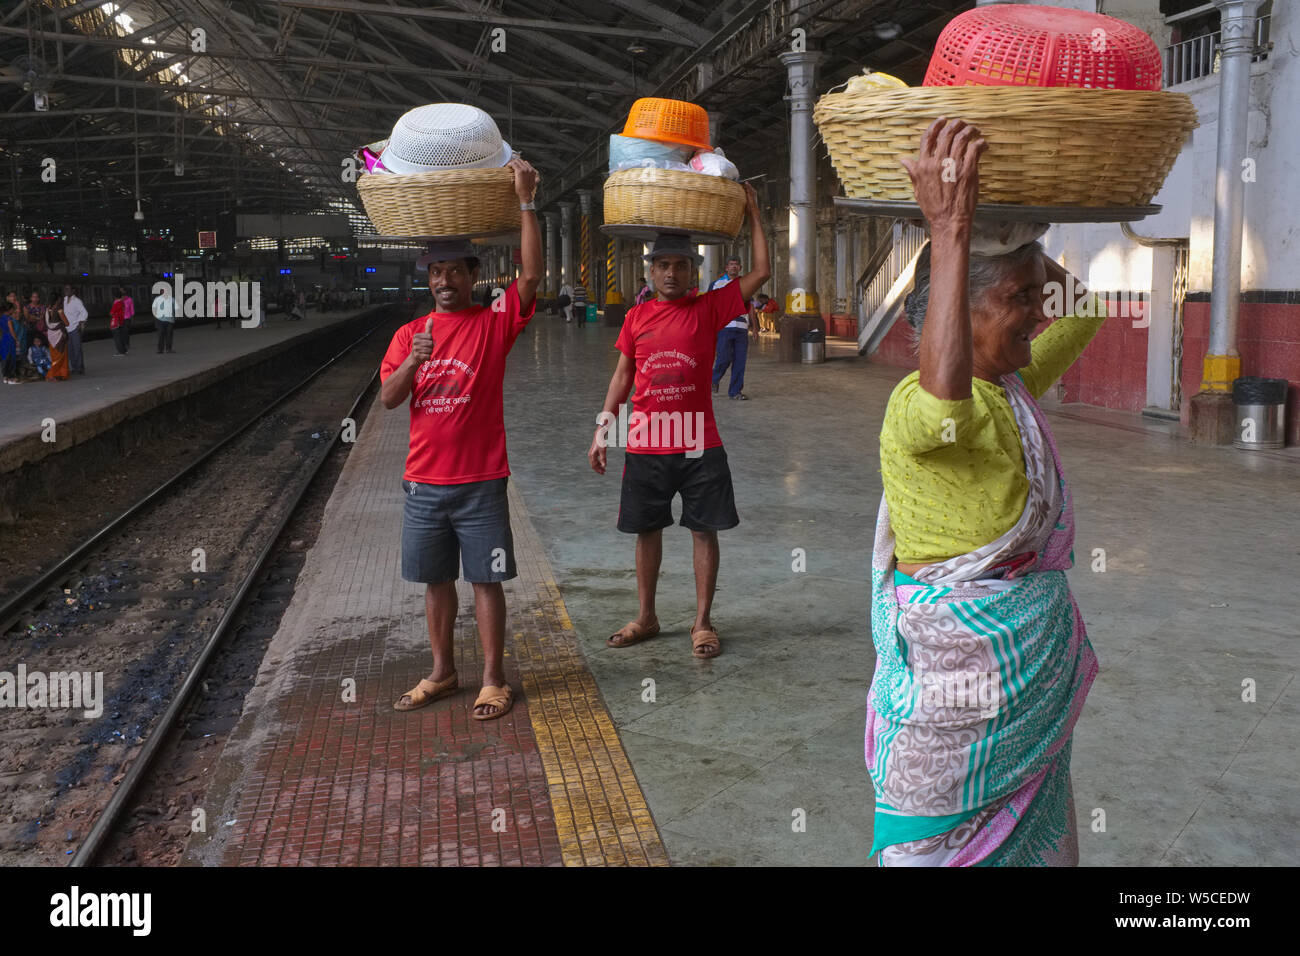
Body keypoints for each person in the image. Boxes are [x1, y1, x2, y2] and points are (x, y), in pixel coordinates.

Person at [867, 118, 1102, 867]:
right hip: (958, 702)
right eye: (1018, 299)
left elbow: (1087, 308)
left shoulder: (1012, 385)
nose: (1040, 312)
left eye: (1036, 296)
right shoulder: (917, 405)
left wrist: (1017, 231)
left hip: (1027, 695)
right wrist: (951, 230)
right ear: (957, 314)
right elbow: (945, 406)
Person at [379, 155, 542, 721]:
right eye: (435, 274)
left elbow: (531, 279)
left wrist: (525, 200)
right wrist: (413, 364)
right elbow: (389, 398)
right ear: (427, 280)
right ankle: (443, 672)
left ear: (473, 276)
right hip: (423, 486)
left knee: (487, 582)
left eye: (454, 272)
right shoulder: (408, 335)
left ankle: (494, 679)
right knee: (435, 582)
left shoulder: (494, 324)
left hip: (481, 485)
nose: (444, 282)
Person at [588, 184, 770, 660]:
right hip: (645, 440)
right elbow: (622, 377)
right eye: (663, 265)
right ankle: (646, 616)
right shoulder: (636, 317)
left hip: (698, 441)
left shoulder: (711, 307)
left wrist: (753, 211)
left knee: (702, 529)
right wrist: (603, 429)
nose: (672, 273)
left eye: (681, 265)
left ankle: (702, 622)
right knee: (647, 531)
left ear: (695, 273)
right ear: (651, 271)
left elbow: (763, 271)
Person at [709, 255, 756, 400]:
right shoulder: (716, 284)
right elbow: (710, 307)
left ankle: (735, 392)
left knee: (740, 361)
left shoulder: (745, 284)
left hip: (741, 327)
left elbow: (751, 307)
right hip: (725, 327)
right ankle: (713, 379)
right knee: (724, 357)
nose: (734, 267)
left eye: (736, 264)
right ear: (726, 267)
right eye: (731, 264)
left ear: (740, 268)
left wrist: (755, 327)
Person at [60, 284, 88, 375]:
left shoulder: (77, 301)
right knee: (70, 350)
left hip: (75, 328)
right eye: (65, 288)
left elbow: (84, 312)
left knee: (77, 349)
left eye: (68, 289)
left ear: (73, 290)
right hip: (67, 329)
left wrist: (80, 323)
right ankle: (74, 367)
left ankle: (79, 368)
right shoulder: (63, 300)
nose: (66, 290)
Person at [43, 302, 69, 380]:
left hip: (51, 336)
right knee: (61, 355)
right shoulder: (59, 310)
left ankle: (54, 373)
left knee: (54, 356)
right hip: (59, 336)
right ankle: (61, 373)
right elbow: (67, 323)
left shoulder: (47, 310)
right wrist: (61, 323)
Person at [153, 282, 176, 353]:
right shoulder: (157, 299)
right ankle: (160, 349)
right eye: (163, 291)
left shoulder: (172, 299)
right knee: (161, 335)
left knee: (169, 335)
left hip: (169, 320)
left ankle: (168, 349)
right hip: (160, 320)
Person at [1, 301, 21, 384]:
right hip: (9, 338)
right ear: (9, 310)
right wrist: (16, 339)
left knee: (5, 357)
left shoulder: (1, 317)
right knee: (11, 357)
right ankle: (10, 377)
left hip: (3, 338)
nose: (13, 310)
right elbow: (12, 330)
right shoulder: (8, 318)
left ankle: (5, 377)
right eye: (12, 309)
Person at [109, 288, 131, 355]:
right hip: (121, 321)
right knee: (121, 337)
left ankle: (121, 352)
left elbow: (111, 313)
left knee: (117, 338)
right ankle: (124, 350)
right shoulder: (122, 302)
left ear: (115, 296)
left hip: (116, 322)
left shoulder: (116, 303)